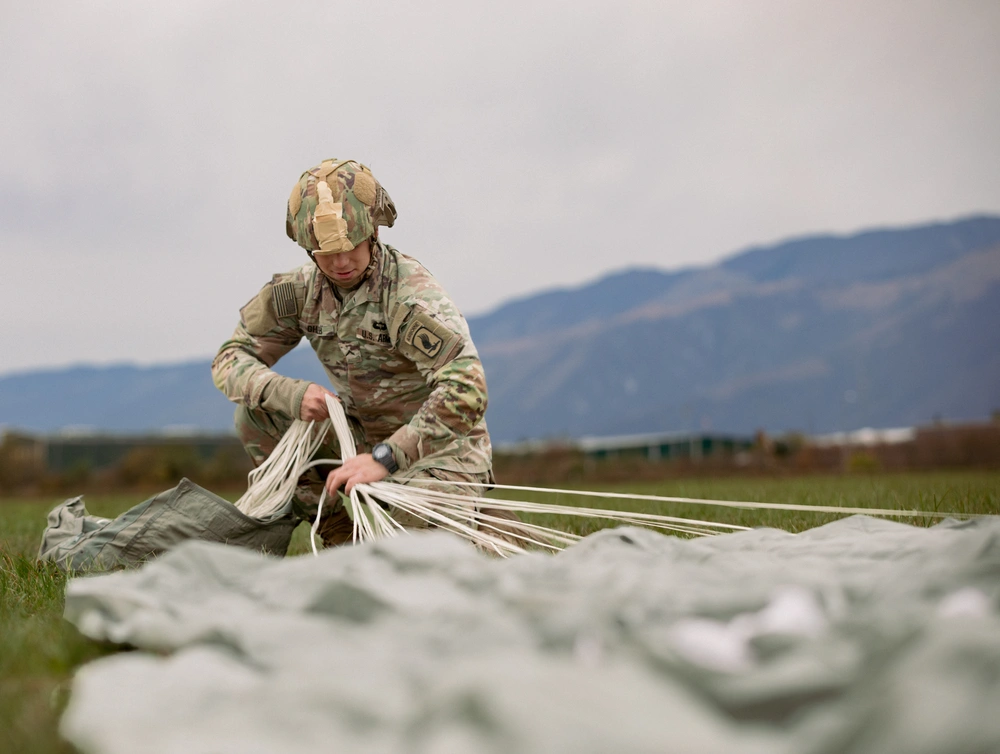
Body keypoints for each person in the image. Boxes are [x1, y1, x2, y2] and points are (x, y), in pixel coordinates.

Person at [212, 158, 498, 546]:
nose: (340, 261)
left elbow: (468, 387)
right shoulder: (298, 292)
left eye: (350, 246)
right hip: (358, 439)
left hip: (436, 451)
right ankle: (334, 533)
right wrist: (291, 395)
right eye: (325, 251)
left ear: (373, 231)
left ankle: (480, 519)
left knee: (414, 564)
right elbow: (230, 358)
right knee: (255, 415)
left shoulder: (408, 295)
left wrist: (387, 457)